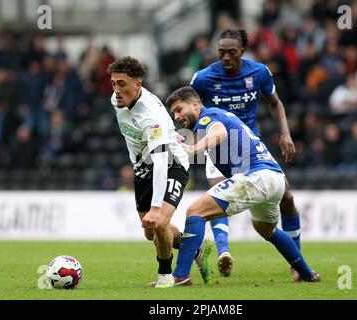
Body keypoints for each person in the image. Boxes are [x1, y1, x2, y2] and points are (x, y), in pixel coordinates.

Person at [166, 86, 320, 285]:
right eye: (173, 113)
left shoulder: (207, 117)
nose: (177, 116)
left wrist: (194, 149)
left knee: (195, 211)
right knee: (265, 228)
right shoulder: (215, 116)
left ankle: (180, 276)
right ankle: (307, 274)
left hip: (256, 177)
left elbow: (219, 133)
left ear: (195, 105)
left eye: (179, 109)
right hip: (275, 179)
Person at [190, 29, 301, 278]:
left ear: (242, 50)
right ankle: (224, 252)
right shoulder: (204, 78)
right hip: (218, 146)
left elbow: (275, 103)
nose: (226, 57)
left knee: (288, 198)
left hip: (251, 148)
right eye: (221, 52)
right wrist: (191, 143)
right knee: (217, 195)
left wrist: (286, 134)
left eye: (231, 52)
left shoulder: (259, 72)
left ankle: (297, 260)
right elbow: (189, 108)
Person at [107, 57, 211, 288]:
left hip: (172, 164)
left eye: (122, 83)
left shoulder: (151, 116)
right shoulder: (117, 100)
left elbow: (162, 161)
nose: (116, 90)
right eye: (114, 83)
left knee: (159, 223)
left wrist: (156, 208)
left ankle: (166, 277)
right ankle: (194, 246)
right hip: (143, 168)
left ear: (138, 84)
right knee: (149, 232)